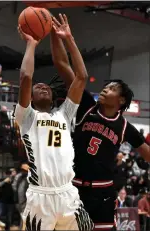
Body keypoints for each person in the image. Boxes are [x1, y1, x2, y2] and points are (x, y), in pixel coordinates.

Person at [51, 13, 150, 231]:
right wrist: (55, 36)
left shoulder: (125, 127)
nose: (106, 89)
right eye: (107, 86)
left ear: (121, 100)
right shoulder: (86, 105)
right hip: (73, 187)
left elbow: (147, 154)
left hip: (102, 193)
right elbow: (61, 64)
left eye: (112, 88)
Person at [14, 14, 93, 230]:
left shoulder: (64, 114)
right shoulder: (26, 117)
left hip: (69, 194)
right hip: (41, 197)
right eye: (38, 87)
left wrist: (68, 37)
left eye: (47, 87)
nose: (43, 86)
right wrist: (31, 44)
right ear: (29, 98)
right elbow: (26, 77)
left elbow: (81, 77)